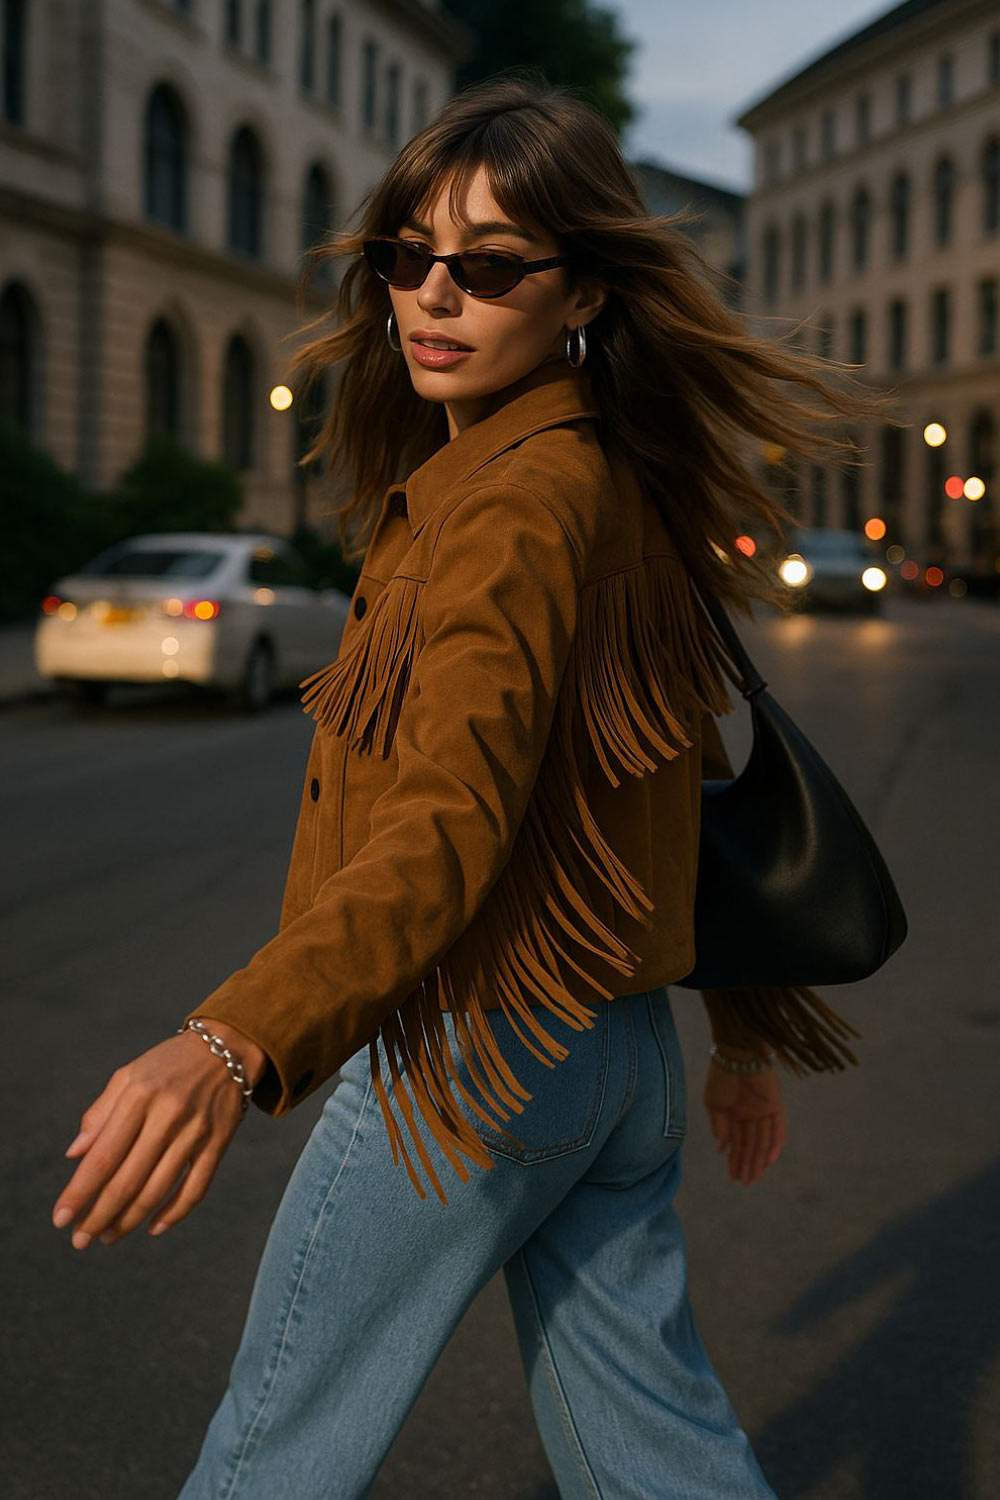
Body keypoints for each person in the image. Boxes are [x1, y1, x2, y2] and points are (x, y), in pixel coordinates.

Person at [52, 72, 886, 1499]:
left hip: (480, 1052)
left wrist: (231, 1040)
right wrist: (741, 1036)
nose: (434, 295)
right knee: (659, 1453)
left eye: (491, 266)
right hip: (616, 1058)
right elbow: (678, 766)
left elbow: (448, 825)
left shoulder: (511, 506)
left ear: (583, 294)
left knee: (273, 1451)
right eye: (407, 254)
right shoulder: (609, 477)